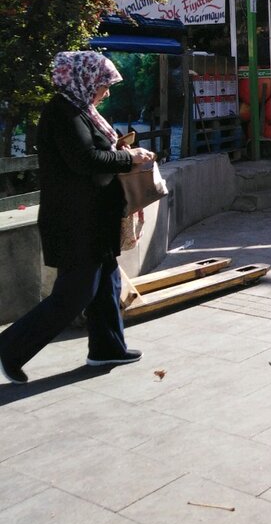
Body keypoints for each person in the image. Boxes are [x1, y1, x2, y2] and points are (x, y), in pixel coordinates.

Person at [0, 51, 156, 385]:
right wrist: (127, 157)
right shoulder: (63, 112)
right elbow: (86, 159)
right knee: (75, 294)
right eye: (103, 84)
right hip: (75, 223)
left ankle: (107, 348)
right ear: (84, 80)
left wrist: (123, 156)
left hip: (94, 220)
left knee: (107, 286)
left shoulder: (82, 112)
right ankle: (9, 347)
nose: (107, 92)